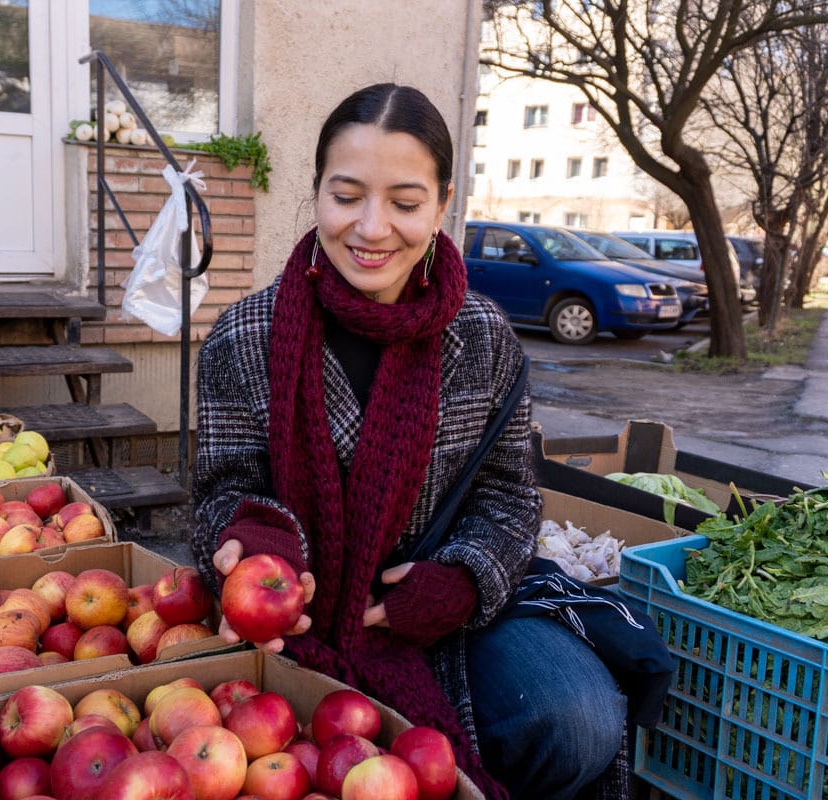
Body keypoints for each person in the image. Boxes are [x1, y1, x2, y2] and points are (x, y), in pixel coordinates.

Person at [191, 83, 634, 800]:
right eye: (346, 196)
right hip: (295, 615)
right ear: (316, 193)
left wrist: (462, 581)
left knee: (577, 720)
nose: (371, 228)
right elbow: (219, 489)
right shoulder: (246, 336)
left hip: (451, 617)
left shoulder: (484, 338)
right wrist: (255, 540)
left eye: (403, 202)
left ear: (441, 205)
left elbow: (510, 495)